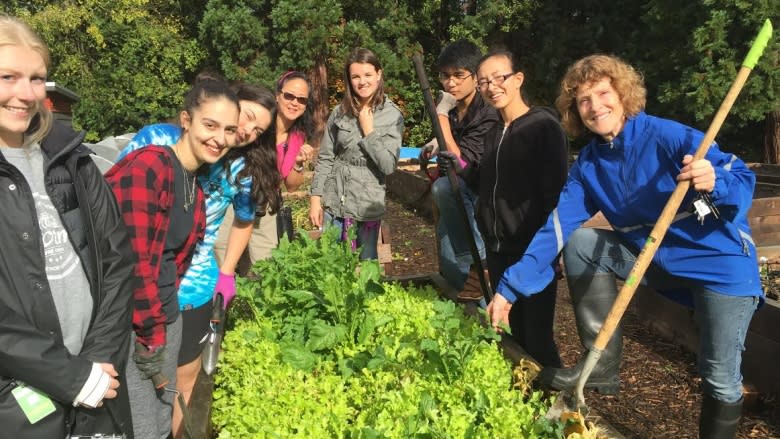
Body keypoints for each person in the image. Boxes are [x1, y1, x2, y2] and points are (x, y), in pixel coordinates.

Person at [486, 54, 760, 438]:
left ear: (623, 94)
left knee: (718, 375)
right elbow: (558, 228)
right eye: (583, 100)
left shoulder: (669, 137)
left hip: (718, 265)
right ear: (575, 111)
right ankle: (600, 366)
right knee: (581, 241)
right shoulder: (591, 165)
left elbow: (743, 179)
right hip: (655, 262)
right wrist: (509, 289)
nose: (595, 106)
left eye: (602, 93)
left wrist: (714, 179)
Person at [116, 80, 281, 438]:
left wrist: (226, 273)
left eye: (258, 130)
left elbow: (245, 220)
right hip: (138, 285)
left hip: (193, 288)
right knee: (139, 383)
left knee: (183, 379)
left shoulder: (241, 171)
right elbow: (116, 201)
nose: (248, 133)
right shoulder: (156, 142)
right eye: (247, 118)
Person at [0, 15, 136, 437]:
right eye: (8, 76)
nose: (26, 94)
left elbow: (117, 261)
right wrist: (70, 376)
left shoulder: (70, 160)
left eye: (37, 79)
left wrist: (96, 363)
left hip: (98, 379)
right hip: (19, 399)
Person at [468, 50, 567, 367]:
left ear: (518, 79)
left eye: (499, 78)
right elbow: (485, 185)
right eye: (484, 81)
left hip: (532, 248)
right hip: (498, 247)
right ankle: (526, 402)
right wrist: (456, 165)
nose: (491, 86)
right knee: (514, 332)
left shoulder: (542, 127)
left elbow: (556, 192)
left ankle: (560, 406)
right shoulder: (493, 132)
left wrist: (556, 250)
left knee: (537, 336)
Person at [419, 39, 500, 302]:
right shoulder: (455, 112)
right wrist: (435, 141)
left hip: (479, 198)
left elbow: (459, 158)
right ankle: (469, 308)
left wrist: (439, 114)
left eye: (458, 75)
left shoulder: (487, 112)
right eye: (445, 76)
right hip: (455, 202)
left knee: (476, 274)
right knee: (451, 268)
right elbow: (451, 144)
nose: (451, 83)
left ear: (475, 77)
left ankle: (481, 267)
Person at [309, 47, 404, 260]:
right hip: (335, 199)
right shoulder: (339, 112)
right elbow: (326, 157)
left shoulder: (392, 116)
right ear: (349, 80)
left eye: (368, 75)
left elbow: (388, 165)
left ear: (379, 75)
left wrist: (369, 130)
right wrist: (316, 198)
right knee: (330, 260)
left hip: (367, 201)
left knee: (366, 261)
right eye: (356, 76)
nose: (362, 82)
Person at [219, 71, 316, 265]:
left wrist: (298, 163)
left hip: (266, 205)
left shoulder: (297, 136)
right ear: (277, 95)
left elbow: (292, 187)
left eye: (301, 100)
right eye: (289, 96)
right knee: (221, 253)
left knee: (264, 264)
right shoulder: (259, 124)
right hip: (233, 198)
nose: (294, 102)